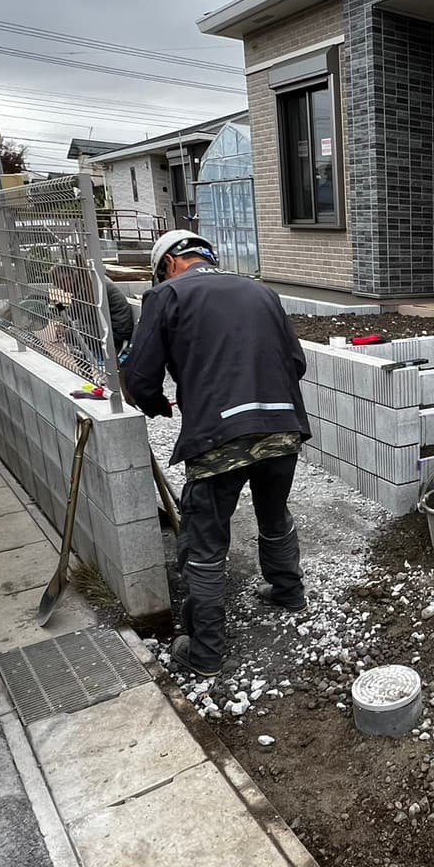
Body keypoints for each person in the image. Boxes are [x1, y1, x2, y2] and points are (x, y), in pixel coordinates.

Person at [123, 230, 311, 678]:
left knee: (205, 539)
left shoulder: (165, 295)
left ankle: (205, 652)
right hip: (282, 426)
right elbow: (296, 363)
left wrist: (157, 405)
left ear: (169, 263)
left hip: (218, 437)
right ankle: (288, 591)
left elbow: (140, 377)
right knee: (273, 510)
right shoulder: (261, 291)